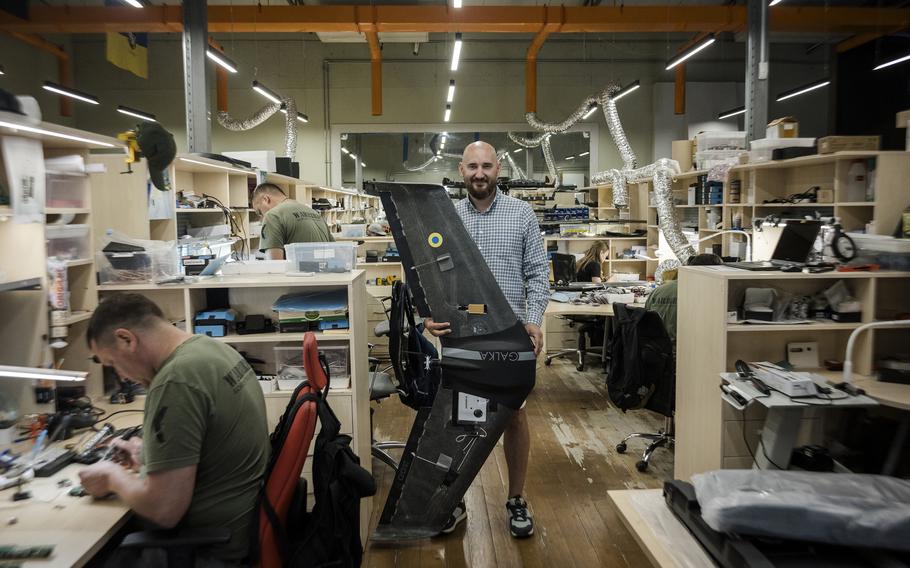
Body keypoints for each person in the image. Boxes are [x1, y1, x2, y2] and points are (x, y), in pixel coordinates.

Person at [79, 293, 269, 566]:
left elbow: (164, 510)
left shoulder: (175, 381)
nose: (120, 376)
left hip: (205, 551)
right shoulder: (211, 349)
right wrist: (149, 455)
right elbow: (212, 443)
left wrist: (111, 477)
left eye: (113, 364)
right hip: (239, 526)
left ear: (126, 339)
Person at [425, 141, 549, 539]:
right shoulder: (446, 218)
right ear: (461, 171)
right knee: (466, 416)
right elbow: (430, 278)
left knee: (513, 414)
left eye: (487, 166)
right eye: (472, 167)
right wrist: (427, 314)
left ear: (499, 169)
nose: (480, 173)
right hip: (463, 332)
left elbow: (537, 275)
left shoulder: (522, 214)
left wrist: (532, 320)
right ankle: (456, 499)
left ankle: (515, 499)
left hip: (510, 331)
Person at [645, 253, 724, 345]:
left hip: (656, 350)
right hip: (685, 350)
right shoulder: (706, 293)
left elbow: (644, 317)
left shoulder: (658, 290)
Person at [251, 182, 334, 260]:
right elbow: (335, 249)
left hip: (297, 274)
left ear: (266, 199)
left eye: (259, 212)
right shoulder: (314, 212)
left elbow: (274, 264)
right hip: (323, 273)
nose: (262, 217)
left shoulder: (272, 215)